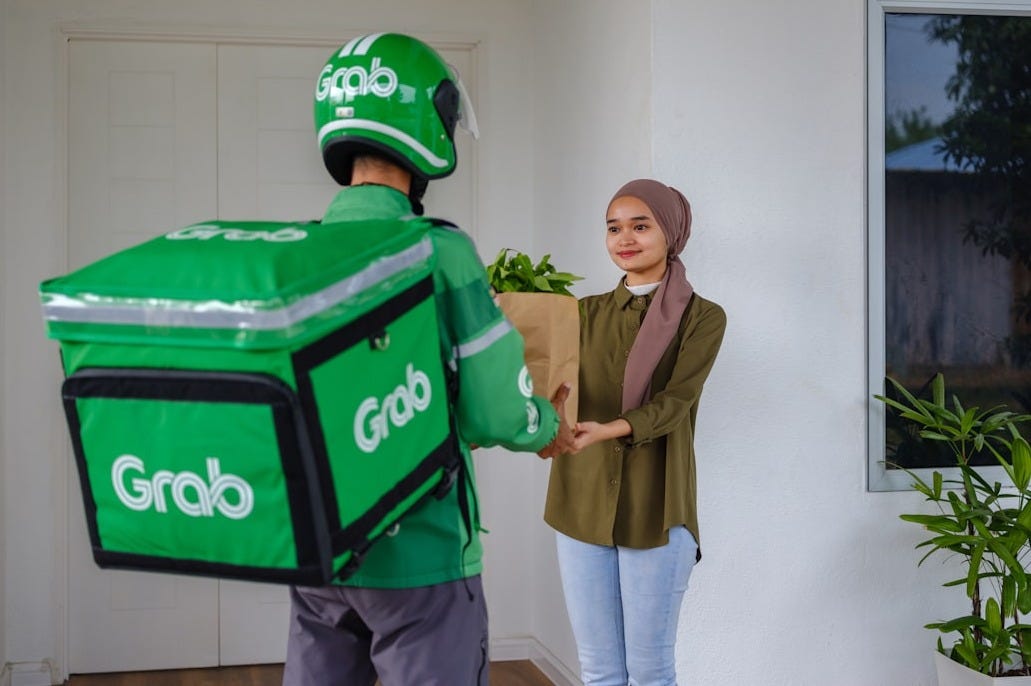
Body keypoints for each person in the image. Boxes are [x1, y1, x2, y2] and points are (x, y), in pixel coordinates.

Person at [283, 32, 574, 686]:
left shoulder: (298, 255)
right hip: (424, 555)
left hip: (322, 552)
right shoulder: (439, 252)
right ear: (427, 125)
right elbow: (495, 409)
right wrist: (547, 427)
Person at [544, 179, 726, 686]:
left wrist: (609, 430)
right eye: (614, 227)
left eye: (640, 226)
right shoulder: (582, 313)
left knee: (648, 670)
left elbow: (676, 402)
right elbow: (552, 386)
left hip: (656, 507)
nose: (625, 238)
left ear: (671, 232)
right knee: (599, 669)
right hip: (580, 502)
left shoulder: (704, 318)